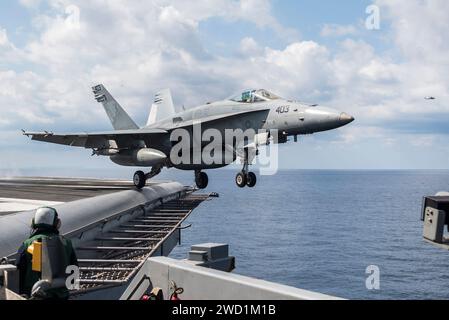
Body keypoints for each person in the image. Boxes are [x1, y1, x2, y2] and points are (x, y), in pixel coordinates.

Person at [15, 207, 78, 299]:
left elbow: (18, 272)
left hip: (32, 294)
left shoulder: (27, 244)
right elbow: (74, 273)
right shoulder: (66, 243)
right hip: (61, 295)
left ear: (33, 223)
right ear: (57, 223)